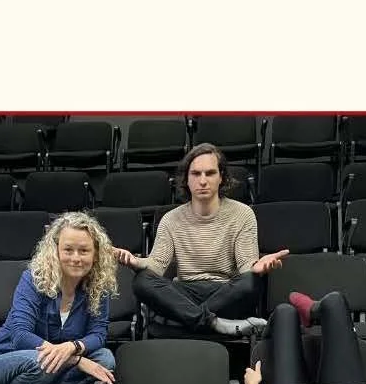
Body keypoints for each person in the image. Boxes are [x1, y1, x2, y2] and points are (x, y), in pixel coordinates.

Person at [112, 142, 288, 337]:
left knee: (250, 282)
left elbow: (246, 267)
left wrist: (256, 268)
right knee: (142, 280)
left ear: (221, 177)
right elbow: (157, 265)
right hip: (184, 292)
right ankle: (214, 322)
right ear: (186, 179)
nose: (203, 181)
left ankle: (185, 319)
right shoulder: (171, 219)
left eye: (210, 173)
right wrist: (137, 262)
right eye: (196, 174)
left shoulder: (242, 214)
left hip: (225, 292)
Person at [0, 211, 118, 384]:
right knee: (43, 360)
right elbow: (20, 334)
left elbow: (98, 334)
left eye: (84, 250)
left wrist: (73, 347)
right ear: (55, 250)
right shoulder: (34, 279)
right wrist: (75, 360)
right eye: (68, 249)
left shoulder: (98, 287)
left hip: (45, 369)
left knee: (105, 360)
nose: (76, 258)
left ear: (96, 254)